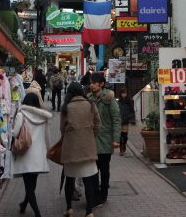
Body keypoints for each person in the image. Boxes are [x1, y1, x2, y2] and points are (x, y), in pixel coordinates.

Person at [60, 82, 101, 217]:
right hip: (87, 147)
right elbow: (97, 124)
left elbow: (62, 128)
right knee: (88, 179)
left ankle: (69, 209)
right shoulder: (90, 105)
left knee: (69, 179)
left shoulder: (66, 107)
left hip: (71, 148)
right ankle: (89, 211)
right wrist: (89, 136)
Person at [12, 92, 53, 217]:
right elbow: (47, 137)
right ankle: (24, 204)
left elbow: (14, 134)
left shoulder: (21, 115)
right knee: (32, 184)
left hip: (26, 154)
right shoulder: (43, 117)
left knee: (28, 185)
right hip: (39, 154)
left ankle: (37, 213)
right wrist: (48, 150)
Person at [88, 72, 121, 208]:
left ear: (101, 84)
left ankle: (103, 194)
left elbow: (116, 119)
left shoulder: (108, 98)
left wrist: (116, 139)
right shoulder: (89, 99)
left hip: (106, 139)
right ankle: (95, 195)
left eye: (94, 83)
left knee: (104, 168)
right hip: (92, 139)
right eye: (90, 83)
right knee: (93, 169)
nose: (91, 85)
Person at [117, 88, 134, 156]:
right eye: (123, 93)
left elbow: (132, 112)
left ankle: (124, 144)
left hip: (126, 121)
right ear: (121, 94)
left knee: (125, 136)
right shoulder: (119, 102)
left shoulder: (129, 102)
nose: (124, 95)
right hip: (119, 121)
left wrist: (128, 116)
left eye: (125, 93)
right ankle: (121, 149)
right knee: (120, 136)